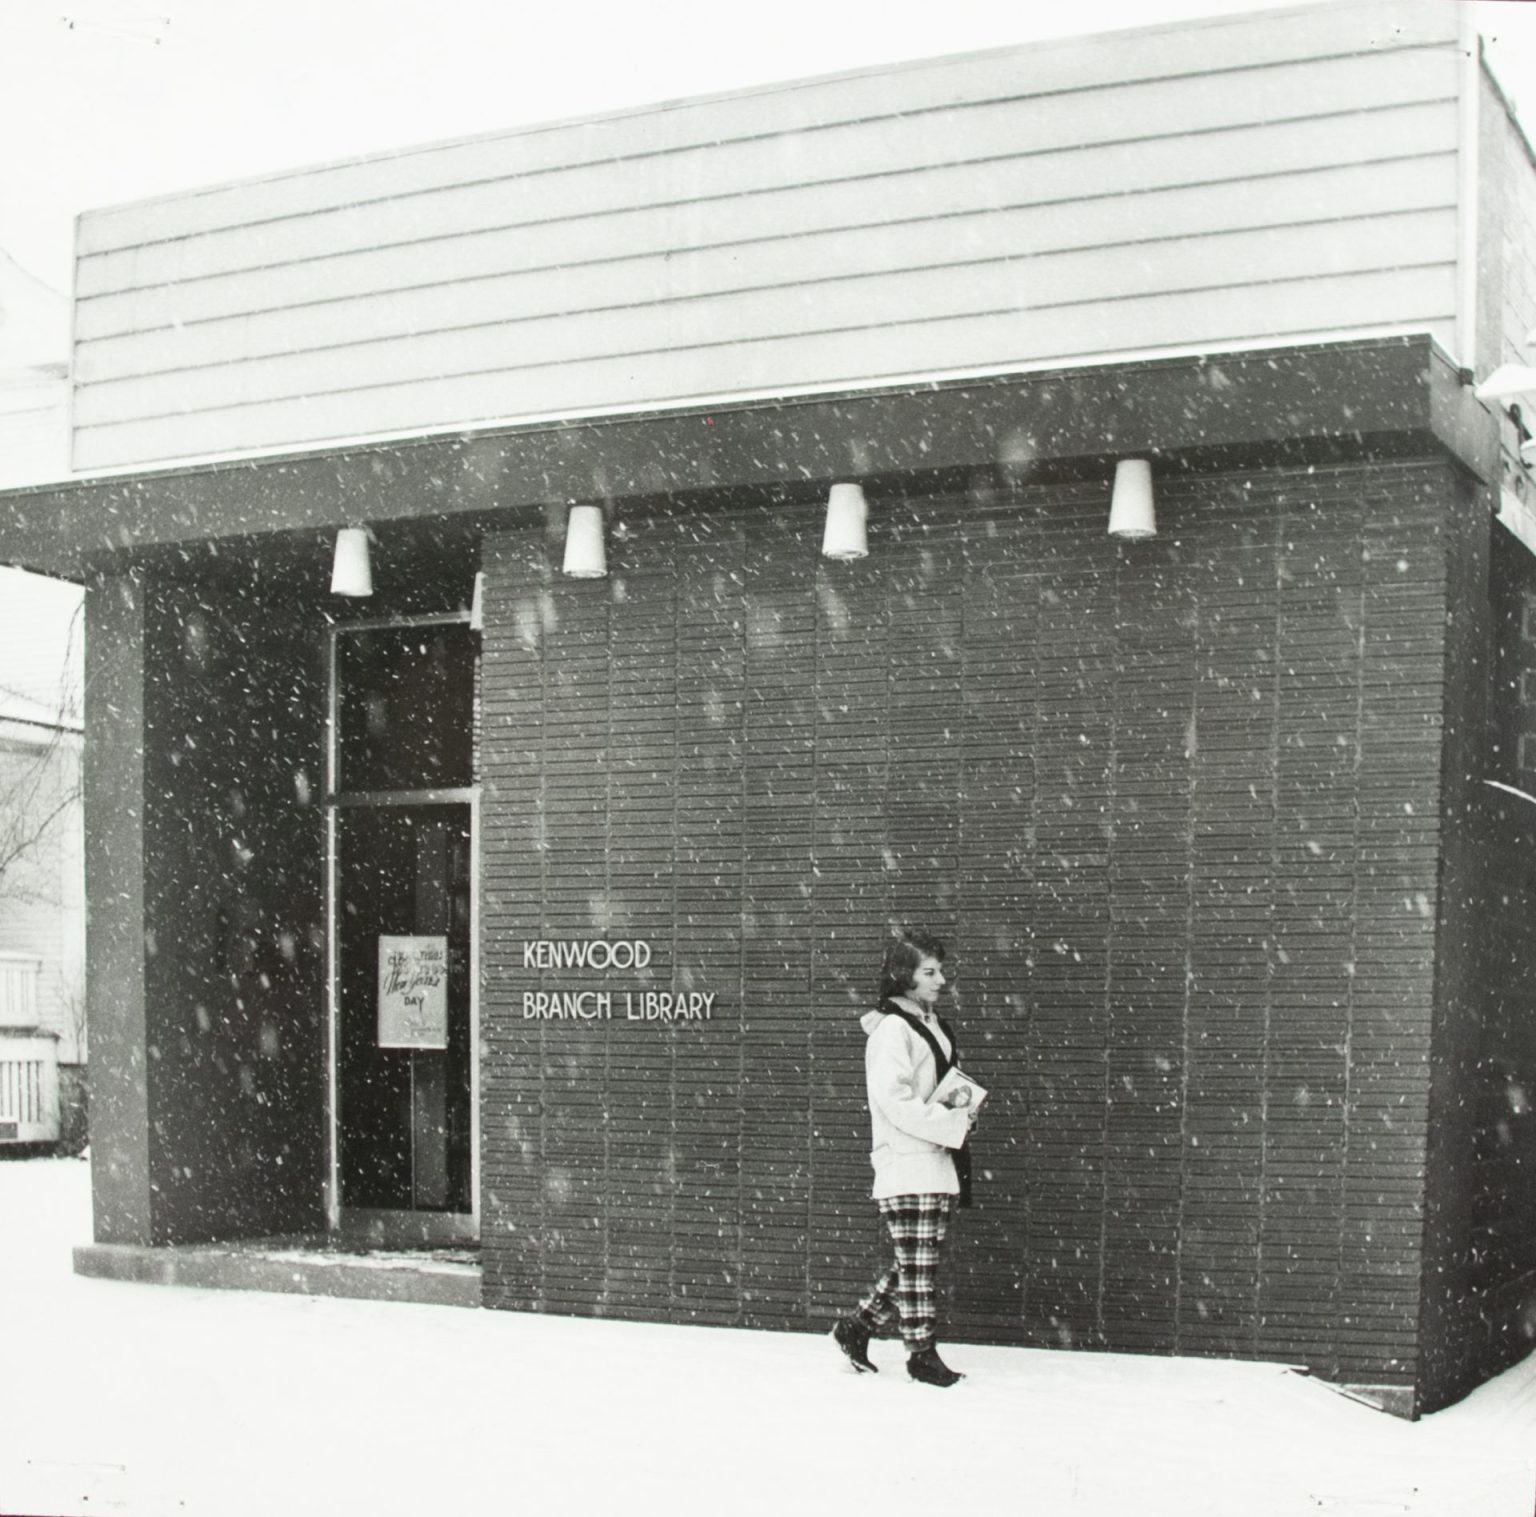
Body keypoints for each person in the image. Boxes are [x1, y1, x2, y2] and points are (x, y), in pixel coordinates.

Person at [831, 927, 975, 1388]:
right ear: (904, 977)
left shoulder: (927, 1023)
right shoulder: (893, 1029)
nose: (940, 980)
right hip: (909, 1159)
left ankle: (857, 1326)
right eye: (929, 972)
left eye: (940, 970)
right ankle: (921, 1354)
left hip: (931, 1157)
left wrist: (962, 1112)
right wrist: (950, 1122)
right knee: (918, 1264)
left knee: (916, 1260)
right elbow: (894, 1101)